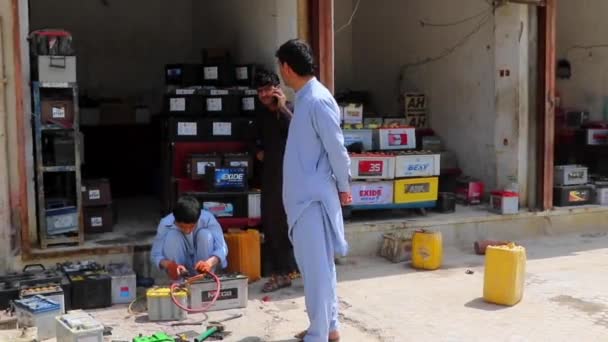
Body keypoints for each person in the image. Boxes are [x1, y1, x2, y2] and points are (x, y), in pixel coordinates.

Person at [276, 39, 352, 342]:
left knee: (318, 273)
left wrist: (345, 187)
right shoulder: (305, 99)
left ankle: (319, 334)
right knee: (318, 270)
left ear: (286, 67)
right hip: (304, 200)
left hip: (313, 202)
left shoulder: (317, 100)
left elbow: (337, 149)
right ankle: (328, 327)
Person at [253, 68, 300, 292]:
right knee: (272, 223)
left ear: (277, 89)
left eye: (266, 90)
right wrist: (258, 151)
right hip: (271, 175)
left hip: (292, 175)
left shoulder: (291, 110)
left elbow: (300, 134)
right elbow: (255, 138)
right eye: (259, 91)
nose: (263, 95)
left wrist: (282, 109)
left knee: (292, 223)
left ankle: (292, 269)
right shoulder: (261, 114)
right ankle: (281, 271)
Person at [151, 195, 228, 280]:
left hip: (203, 264)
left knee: (205, 235)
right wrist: (169, 265)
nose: (187, 231)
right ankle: (179, 282)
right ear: (175, 219)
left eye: (192, 226)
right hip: (180, 267)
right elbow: (156, 254)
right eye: (182, 227)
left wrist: (209, 263)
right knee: (172, 236)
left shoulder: (208, 218)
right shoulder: (165, 223)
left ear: (198, 219)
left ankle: (205, 278)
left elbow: (222, 248)